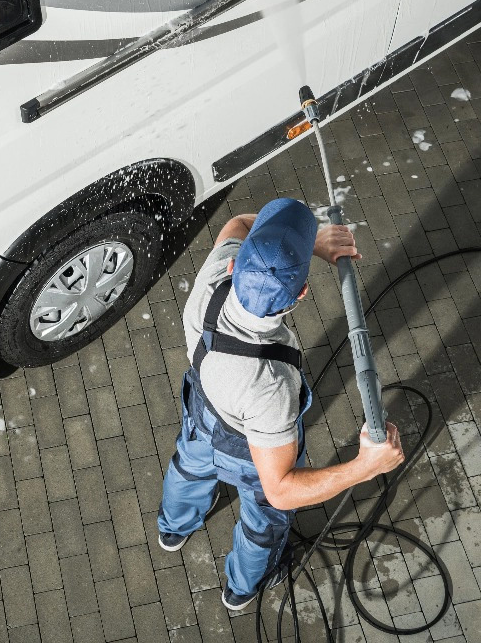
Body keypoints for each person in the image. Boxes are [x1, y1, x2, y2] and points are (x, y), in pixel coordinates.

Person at [157, 198, 404, 611]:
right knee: (264, 521)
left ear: (235, 266)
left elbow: (238, 221)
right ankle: (240, 588)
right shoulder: (272, 387)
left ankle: (174, 528)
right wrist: (365, 467)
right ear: (301, 294)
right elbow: (282, 489)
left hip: (201, 413)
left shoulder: (212, 280)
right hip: (251, 453)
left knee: (189, 466)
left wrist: (304, 244)